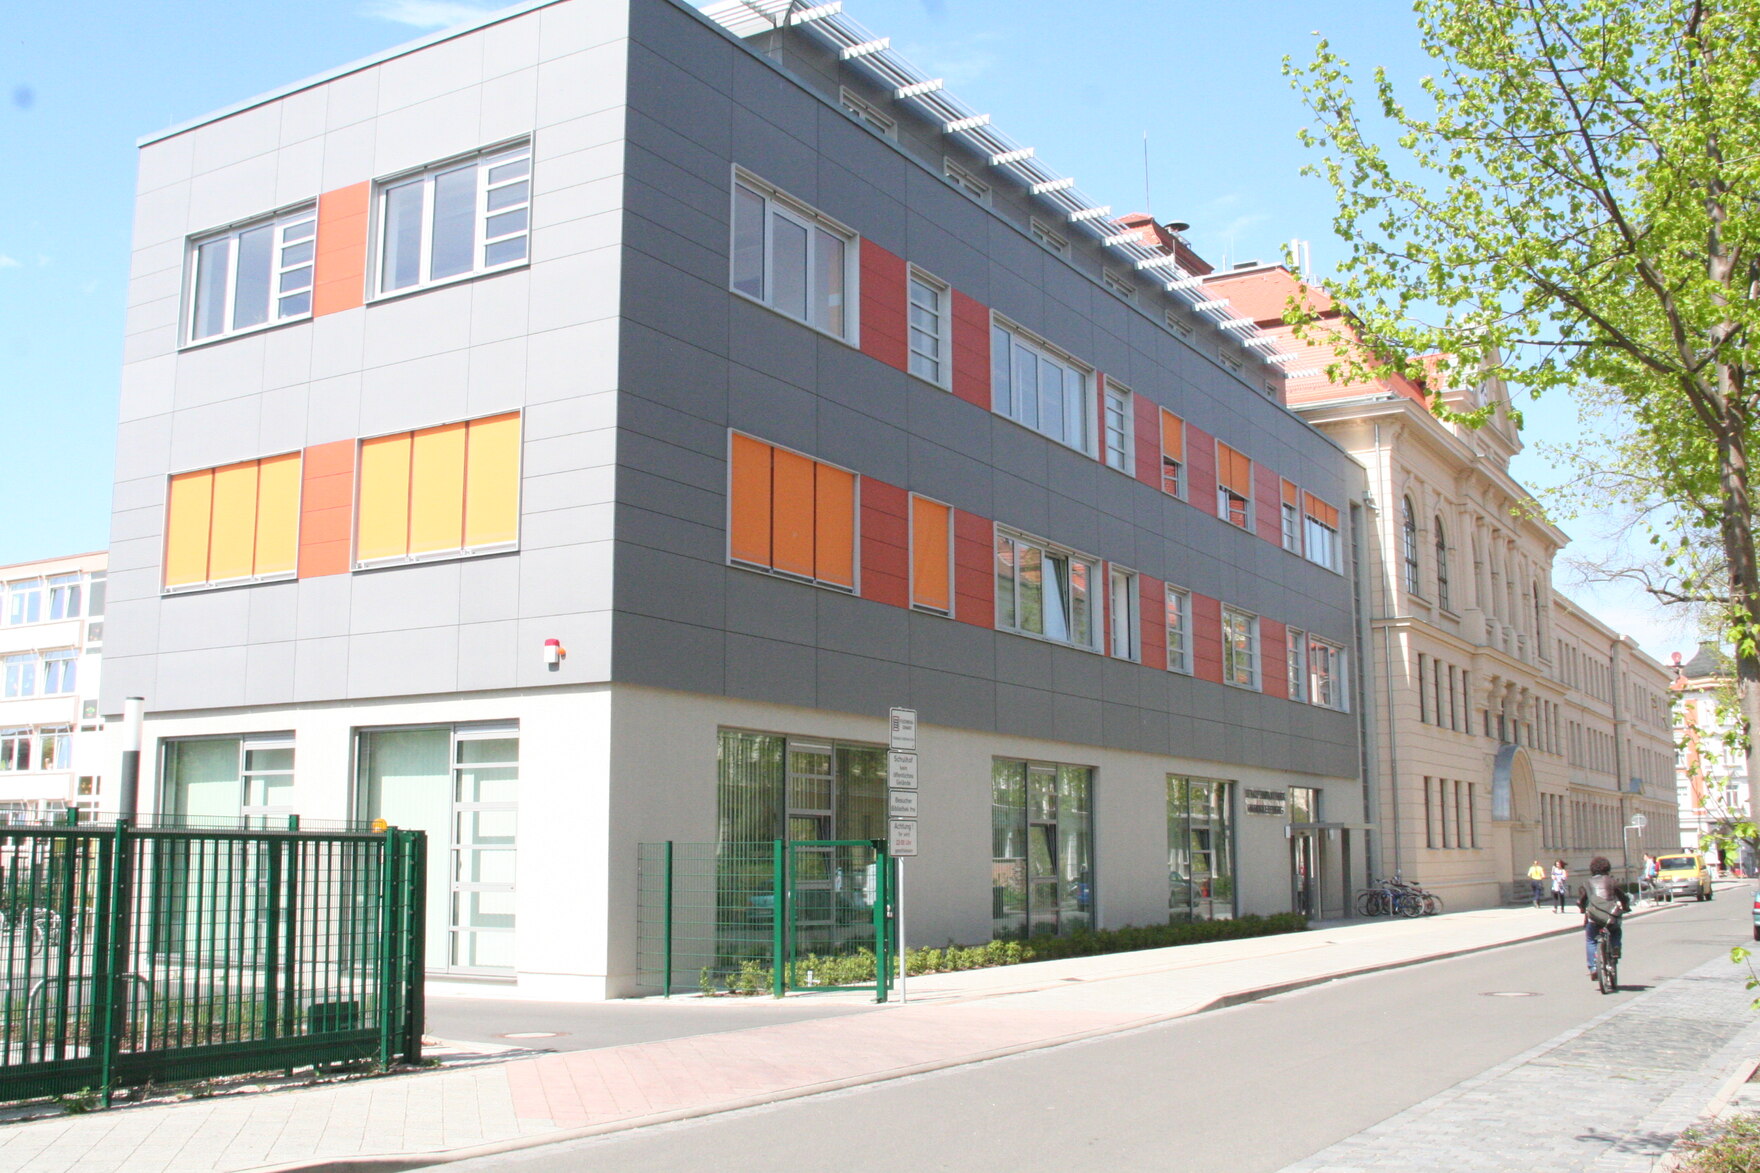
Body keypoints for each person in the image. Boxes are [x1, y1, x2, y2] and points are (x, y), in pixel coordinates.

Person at [1576, 856, 1631, 979]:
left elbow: (1581, 901)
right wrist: (1626, 907)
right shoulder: (1612, 881)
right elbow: (1623, 897)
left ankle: (1593, 967)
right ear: (1607, 869)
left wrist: (1582, 909)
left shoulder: (1587, 883)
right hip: (1609, 918)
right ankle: (1615, 947)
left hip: (1594, 918)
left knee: (1591, 940)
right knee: (1616, 930)